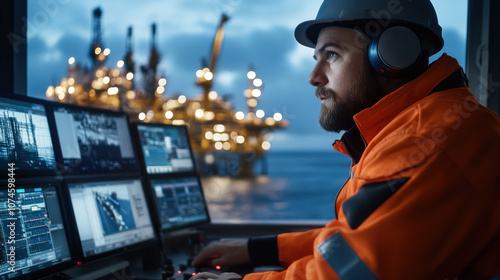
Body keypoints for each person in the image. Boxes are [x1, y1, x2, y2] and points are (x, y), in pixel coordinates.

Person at [190, 0, 500, 279]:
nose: (314, 76)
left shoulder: (425, 141)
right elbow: (359, 238)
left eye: (332, 55)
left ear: (392, 56)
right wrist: (261, 249)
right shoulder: (418, 127)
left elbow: (356, 272)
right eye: (316, 58)